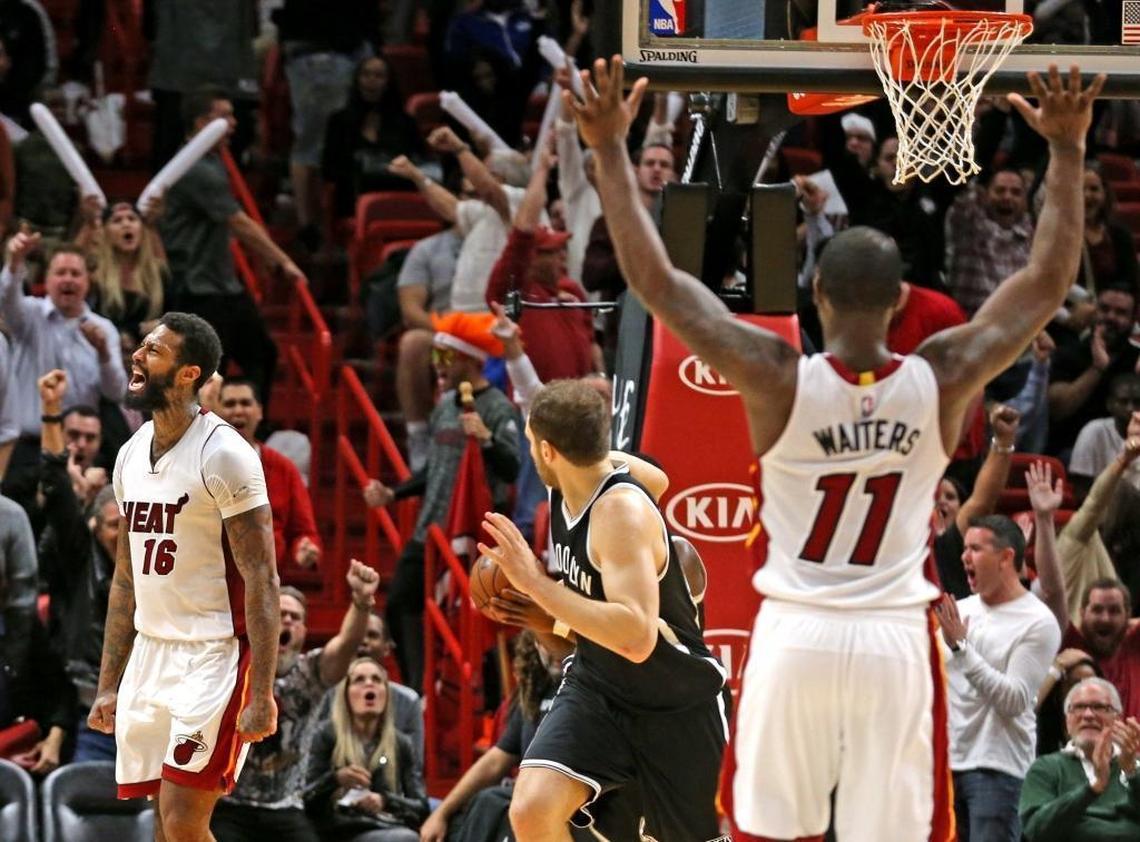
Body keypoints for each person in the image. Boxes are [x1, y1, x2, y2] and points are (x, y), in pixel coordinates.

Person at [563, 56, 1104, 842]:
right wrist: (1067, 149)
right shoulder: (943, 375)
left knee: (768, 832)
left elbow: (659, 285)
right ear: (899, 301)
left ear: (814, 292)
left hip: (796, 632)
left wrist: (610, 147)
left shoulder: (776, 376)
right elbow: (1047, 283)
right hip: (892, 636)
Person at [477, 379, 729, 841]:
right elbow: (658, 480)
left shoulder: (619, 515)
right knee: (532, 809)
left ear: (548, 451)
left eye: (533, 444)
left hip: (675, 702)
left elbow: (635, 638)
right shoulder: (571, 481)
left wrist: (534, 582)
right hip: (599, 685)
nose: (532, 454)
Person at [87, 312, 280, 842]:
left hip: (213, 653)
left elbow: (263, 578)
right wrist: (110, 684)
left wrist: (261, 690)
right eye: (143, 346)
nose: (138, 355)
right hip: (151, 652)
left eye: (154, 350)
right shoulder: (129, 455)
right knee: (161, 822)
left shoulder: (225, 455)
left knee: (182, 818)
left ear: (190, 373)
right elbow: (125, 581)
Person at [212, 565, 381, 842]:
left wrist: (362, 602)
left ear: (303, 631)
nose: (287, 621)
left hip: (286, 808)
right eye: (280, 615)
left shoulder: (310, 673)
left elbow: (348, 643)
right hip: (230, 805)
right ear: (261, 621)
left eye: (295, 617)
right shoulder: (233, 666)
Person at [159, 87, 302, 407]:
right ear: (200, 124)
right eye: (223, 116)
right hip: (198, 287)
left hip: (220, 283)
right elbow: (239, 222)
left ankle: (244, 433)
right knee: (212, 368)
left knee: (259, 353)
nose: (233, 123)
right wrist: (282, 261)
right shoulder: (196, 168)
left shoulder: (211, 162)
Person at [936, 515, 1062, 841]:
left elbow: (1014, 700)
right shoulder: (959, 611)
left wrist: (962, 649)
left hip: (998, 770)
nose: (965, 557)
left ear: (1006, 557)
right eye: (965, 548)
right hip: (945, 767)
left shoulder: (1038, 621)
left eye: (976, 549)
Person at [0, 232, 126, 493]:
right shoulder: (28, 315)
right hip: (28, 448)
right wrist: (15, 262)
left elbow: (116, 392)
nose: (68, 279)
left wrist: (103, 352)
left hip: (80, 450)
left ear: (87, 281)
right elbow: (7, 299)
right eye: (61, 272)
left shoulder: (104, 329)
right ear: (46, 279)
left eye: (75, 273)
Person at [303, 657, 428, 841]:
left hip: (381, 826)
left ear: (386, 694)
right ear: (346, 694)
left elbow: (421, 806)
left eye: (377, 680)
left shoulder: (401, 743)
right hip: (335, 830)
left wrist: (384, 800)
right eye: (359, 680)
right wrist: (336, 779)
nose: (369, 684)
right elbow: (303, 799)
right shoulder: (325, 736)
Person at [217, 378, 321, 572]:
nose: (238, 410)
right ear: (217, 413)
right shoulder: (197, 464)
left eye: (246, 403)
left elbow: (304, 532)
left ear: (260, 412)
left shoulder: (284, 468)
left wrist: (304, 548)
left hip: (266, 586)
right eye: (230, 404)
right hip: (209, 587)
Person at [1019, 677, 1140, 841]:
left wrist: (1131, 772)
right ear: (1067, 720)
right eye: (1079, 707)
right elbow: (1035, 829)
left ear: (1117, 719)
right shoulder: (1046, 767)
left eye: (1099, 707)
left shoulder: (1133, 765)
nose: (1088, 715)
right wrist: (1093, 788)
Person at [77, 198, 169, 343]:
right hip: (103, 350)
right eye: (117, 221)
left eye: (132, 219)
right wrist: (89, 223)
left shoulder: (157, 272)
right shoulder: (95, 272)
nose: (126, 224)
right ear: (105, 231)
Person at [1062, 580, 1140, 720]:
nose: (1105, 619)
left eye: (1114, 611)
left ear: (1127, 615)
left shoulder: (1135, 644)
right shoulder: (1070, 643)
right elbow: (1052, 593)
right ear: (1082, 613)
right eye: (1097, 610)